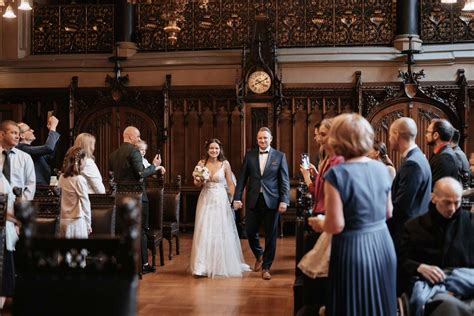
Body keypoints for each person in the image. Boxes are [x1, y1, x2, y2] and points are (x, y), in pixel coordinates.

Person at [311, 113, 397, 315]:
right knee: (379, 303)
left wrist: (320, 223)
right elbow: (388, 212)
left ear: (336, 139)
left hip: (353, 247)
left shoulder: (337, 174)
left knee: (352, 304)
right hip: (383, 243)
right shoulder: (382, 169)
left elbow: (336, 225)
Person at [398, 177, 474, 316]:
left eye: (457, 203)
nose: (452, 208)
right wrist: (419, 267)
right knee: (447, 306)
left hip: (466, 285)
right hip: (434, 291)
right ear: (433, 198)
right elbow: (401, 262)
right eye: (447, 202)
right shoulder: (414, 227)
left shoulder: (470, 223)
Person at [233, 127, 290, 281]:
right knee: (250, 232)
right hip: (253, 200)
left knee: (271, 236)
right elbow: (242, 179)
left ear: (270, 139)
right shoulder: (250, 155)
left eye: (265, 138)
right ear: (257, 139)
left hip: (272, 201)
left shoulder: (279, 156)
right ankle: (259, 254)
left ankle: (266, 267)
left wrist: (284, 200)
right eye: (260, 138)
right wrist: (237, 197)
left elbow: (284, 181)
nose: (262, 141)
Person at [189, 139, 250, 278]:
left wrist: (236, 199)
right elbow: (196, 184)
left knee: (220, 229)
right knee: (204, 229)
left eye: (216, 148)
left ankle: (219, 264)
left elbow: (230, 184)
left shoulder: (225, 164)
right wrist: (199, 180)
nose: (214, 151)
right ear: (207, 149)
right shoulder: (201, 163)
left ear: (220, 149)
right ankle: (201, 266)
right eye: (211, 148)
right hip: (205, 198)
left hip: (220, 199)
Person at [109, 126, 164, 274]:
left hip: (118, 198)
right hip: (137, 198)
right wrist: (154, 166)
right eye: (138, 136)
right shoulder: (133, 151)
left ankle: (123, 263)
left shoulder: (113, 154)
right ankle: (143, 265)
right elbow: (141, 173)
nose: (139, 139)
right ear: (130, 136)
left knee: (121, 231)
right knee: (142, 230)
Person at [387, 117, 432, 249]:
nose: (389, 139)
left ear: (396, 134)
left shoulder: (412, 163)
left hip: (407, 233)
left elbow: (402, 207)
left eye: (390, 134)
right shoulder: (418, 157)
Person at [300, 118, 344, 215]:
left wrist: (307, 179)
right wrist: (316, 174)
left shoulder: (338, 160)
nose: (318, 139)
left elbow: (320, 194)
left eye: (322, 135)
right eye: (317, 135)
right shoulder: (327, 158)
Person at [58, 146, 91, 238]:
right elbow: (85, 202)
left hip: (63, 219)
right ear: (80, 161)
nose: (86, 162)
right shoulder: (79, 179)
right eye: (85, 159)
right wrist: (88, 223)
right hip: (76, 222)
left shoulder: (62, 177)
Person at [17, 116, 60, 185]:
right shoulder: (21, 149)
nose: (32, 130)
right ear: (22, 135)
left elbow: (50, 154)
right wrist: (53, 128)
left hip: (42, 186)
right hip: (36, 188)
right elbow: (48, 148)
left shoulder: (29, 148)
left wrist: (52, 130)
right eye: (29, 129)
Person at [0, 120, 36, 200]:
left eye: (18, 134)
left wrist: (22, 204)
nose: (17, 137)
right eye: (13, 133)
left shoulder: (25, 158)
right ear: (2, 135)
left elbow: (30, 184)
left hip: (17, 204)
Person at [426, 119, 460, 187]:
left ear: (436, 135)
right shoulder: (442, 154)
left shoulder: (445, 158)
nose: (426, 135)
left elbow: (435, 188)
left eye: (427, 132)